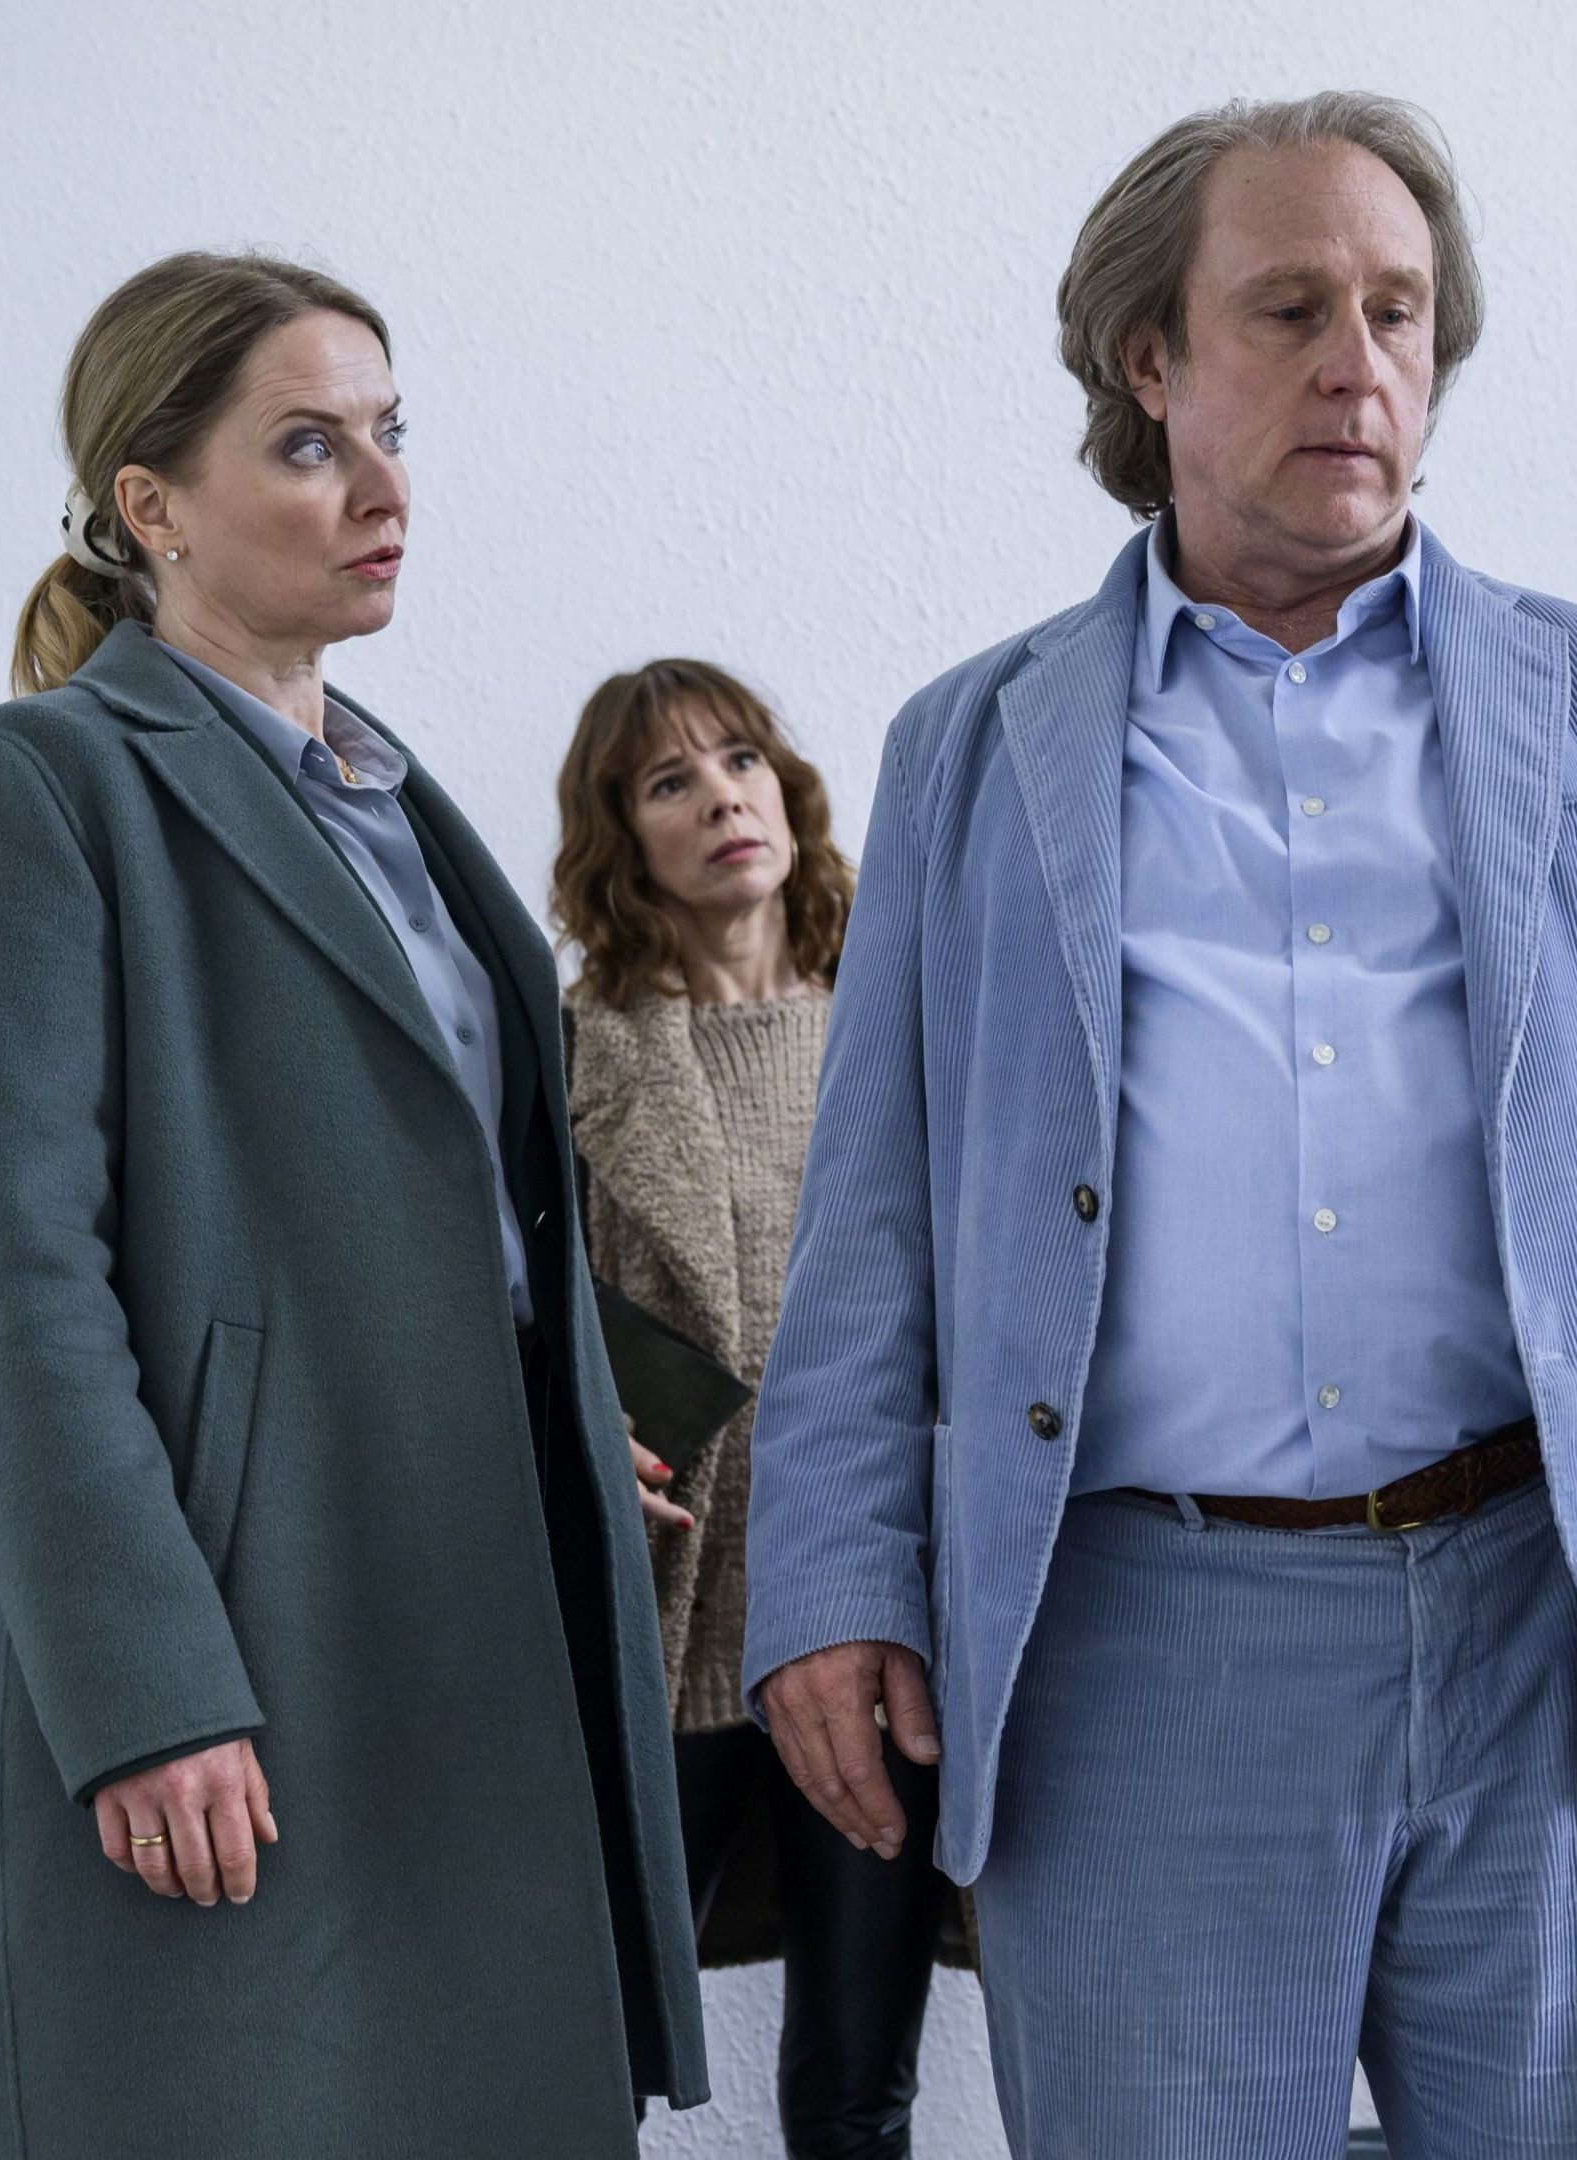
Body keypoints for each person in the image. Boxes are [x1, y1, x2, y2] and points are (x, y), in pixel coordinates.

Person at [741, 94, 1577, 2158]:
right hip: (1138, 1649)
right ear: (1150, 360)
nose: (1361, 364)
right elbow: (874, 1215)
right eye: (1289, 310)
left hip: (1549, 1611)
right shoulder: (971, 748)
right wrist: (828, 1572)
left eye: (1399, 311)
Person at [0, 250, 707, 2156]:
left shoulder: (403, 811)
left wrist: (563, 1410)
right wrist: (142, 1690)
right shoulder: (35, 785)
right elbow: (18, 1278)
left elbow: (457, 1201)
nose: (385, 487)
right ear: (153, 503)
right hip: (241, 1618)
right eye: (312, 445)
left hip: (466, 1590)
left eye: (392, 433)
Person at [553, 659, 963, 2158]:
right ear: (625, 838)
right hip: (670, 1629)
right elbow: (509, 1317)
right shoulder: (572, 1060)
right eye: (671, 781)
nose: (722, 796)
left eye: (740, 760)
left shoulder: (908, 1030)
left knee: (856, 2088)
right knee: (582, 2057)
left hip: (871, 1623)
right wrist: (574, 1434)